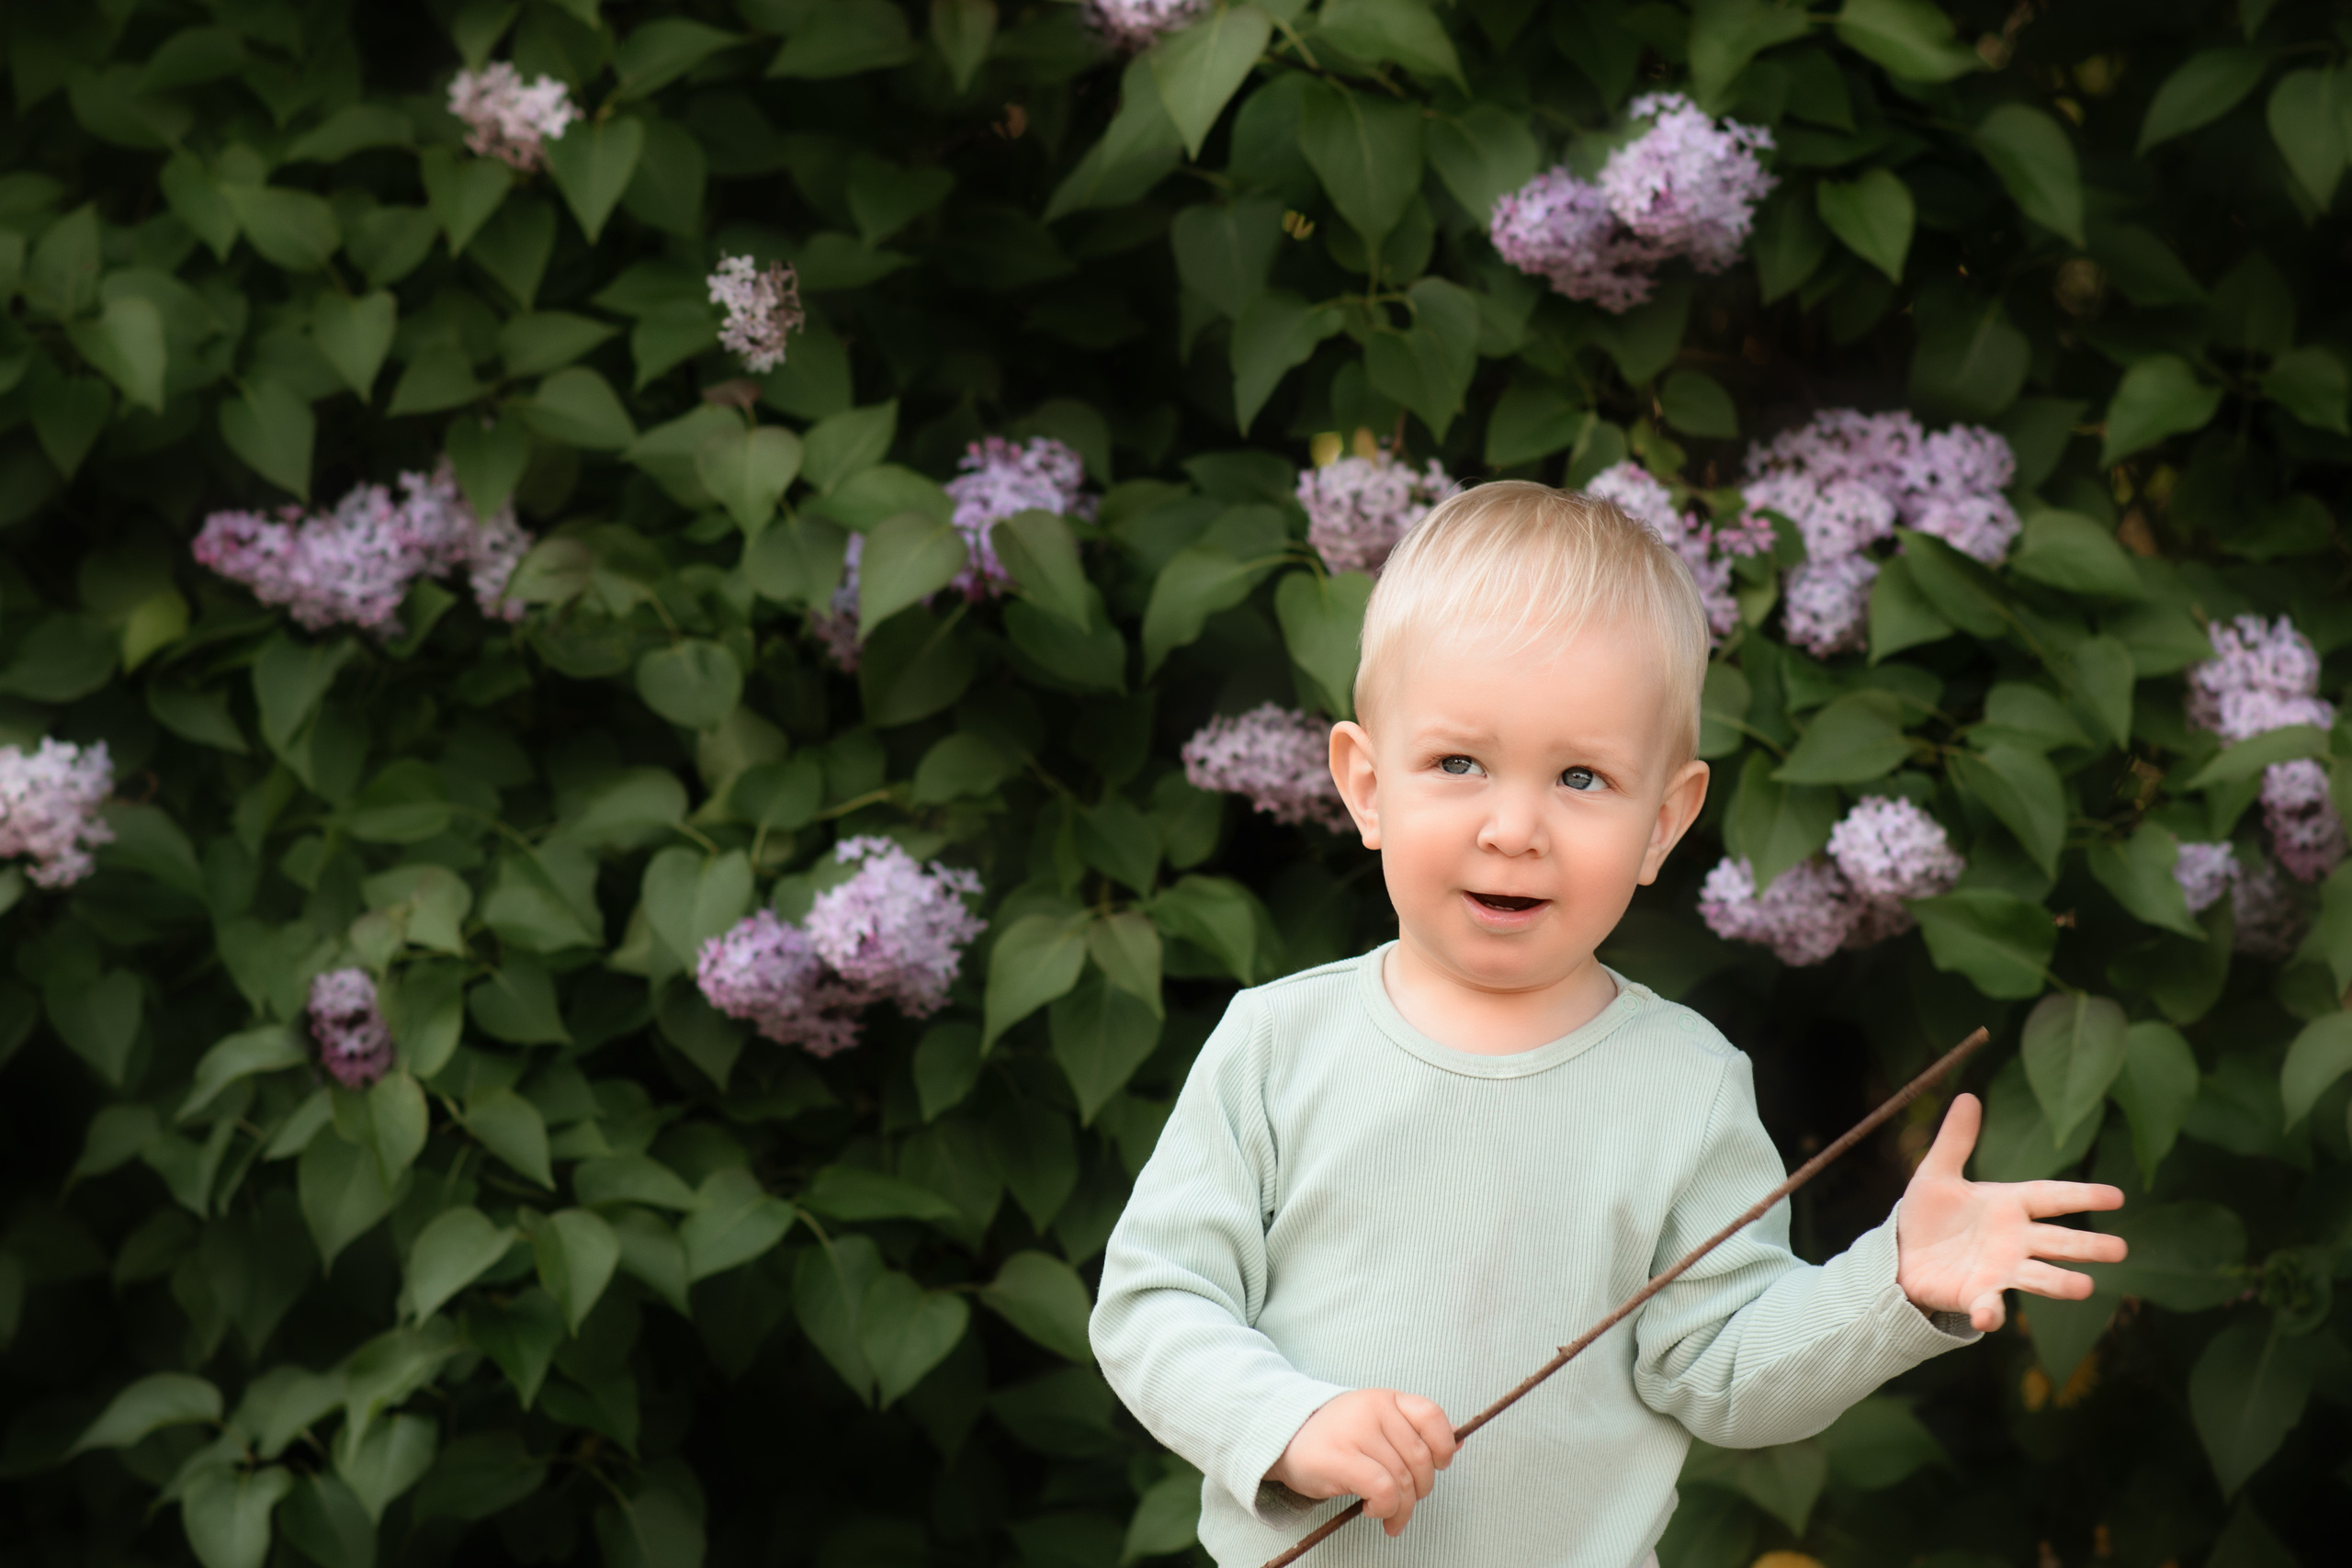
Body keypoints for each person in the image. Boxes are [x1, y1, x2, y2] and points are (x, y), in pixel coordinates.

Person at [1089, 480, 2127, 1568]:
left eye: (1581, 776)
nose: (1513, 828)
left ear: (1662, 822)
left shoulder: (1683, 1084)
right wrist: (1283, 1423)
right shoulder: (1275, 1045)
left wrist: (1889, 1286)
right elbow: (1157, 1303)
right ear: (1365, 783)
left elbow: (1721, 1368)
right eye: (1458, 764)